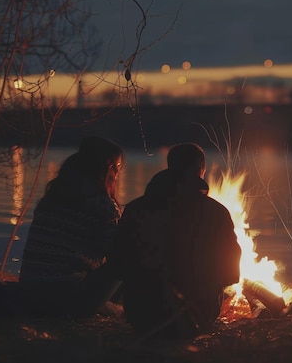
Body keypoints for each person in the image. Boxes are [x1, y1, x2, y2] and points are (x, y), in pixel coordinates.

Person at [111, 142, 241, 341]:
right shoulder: (217, 213)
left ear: (169, 166)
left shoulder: (136, 208)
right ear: (201, 170)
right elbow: (231, 274)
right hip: (197, 317)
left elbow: (117, 265)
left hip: (141, 315)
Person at [17, 136, 124, 318]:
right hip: (66, 303)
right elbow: (119, 254)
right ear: (107, 170)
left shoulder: (50, 200)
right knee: (127, 257)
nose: (118, 174)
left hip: (28, 293)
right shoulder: (103, 207)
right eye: (117, 167)